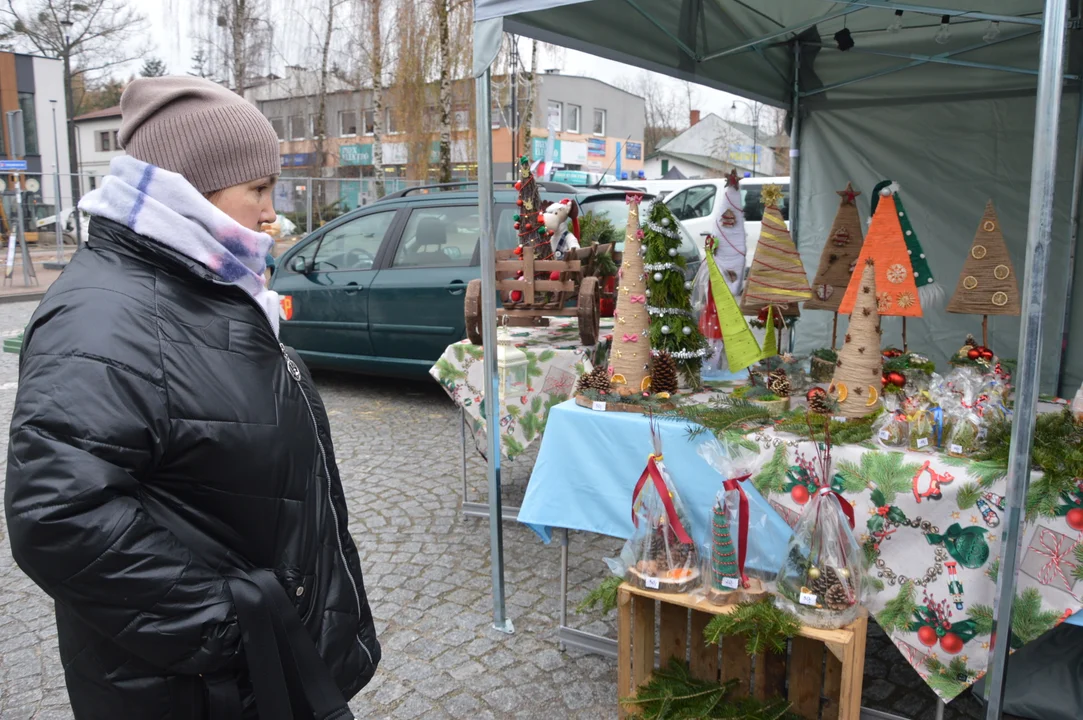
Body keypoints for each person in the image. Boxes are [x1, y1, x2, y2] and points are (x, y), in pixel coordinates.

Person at [5, 77, 379, 719]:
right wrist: (234, 628)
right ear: (189, 191)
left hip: (258, 676)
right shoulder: (103, 317)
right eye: (258, 189)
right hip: (199, 690)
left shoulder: (207, 287)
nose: (272, 212)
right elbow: (57, 515)